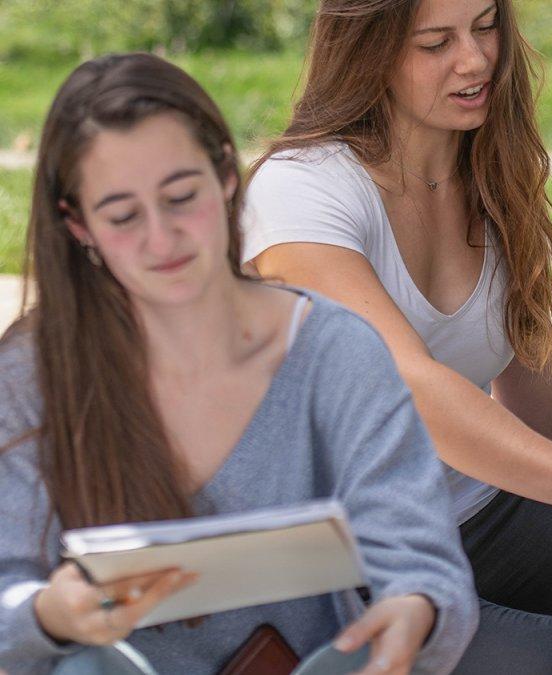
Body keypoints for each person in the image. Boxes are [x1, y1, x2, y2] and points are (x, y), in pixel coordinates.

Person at [240, 0, 552, 671]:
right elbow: (407, 387)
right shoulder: (301, 193)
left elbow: (549, 407)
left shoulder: (493, 176)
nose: (477, 58)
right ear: (367, 53)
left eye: (486, 26)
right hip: (352, 558)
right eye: (436, 42)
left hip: (485, 511)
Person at [0, 53, 477, 674]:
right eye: (122, 216)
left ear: (227, 176)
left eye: (180, 197)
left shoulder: (331, 349)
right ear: (78, 225)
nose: (161, 239)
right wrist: (47, 615)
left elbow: (423, 561)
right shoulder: (29, 376)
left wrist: (416, 610)